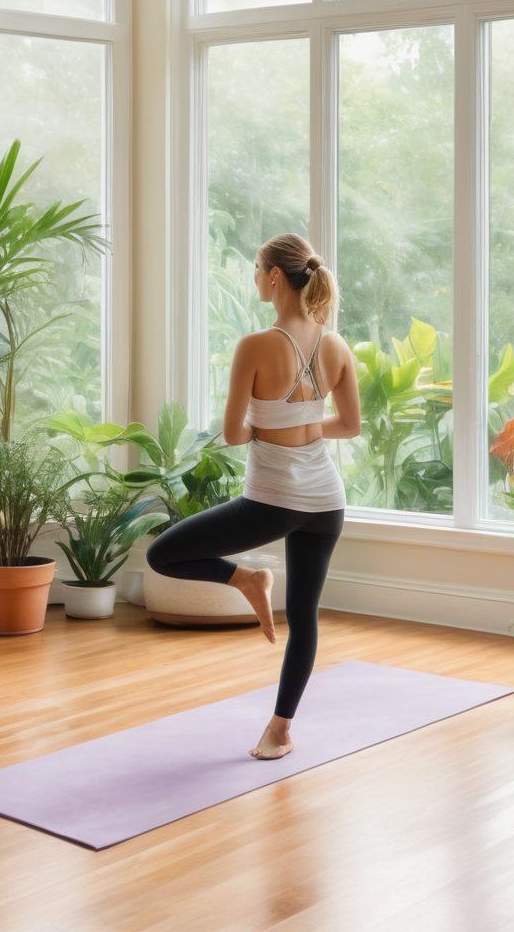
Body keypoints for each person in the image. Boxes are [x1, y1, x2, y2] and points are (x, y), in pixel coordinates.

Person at [146, 233, 361, 760]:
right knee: (304, 616)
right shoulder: (336, 346)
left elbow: (235, 434)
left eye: (255, 271)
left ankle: (245, 577)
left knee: (162, 554)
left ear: (272, 278)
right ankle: (280, 730)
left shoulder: (255, 346)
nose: (253, 280)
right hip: (326, 502)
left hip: (273, 499)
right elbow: (350, 425)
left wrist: (272, 428)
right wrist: (306, 425)